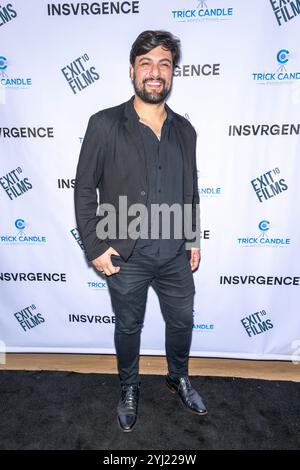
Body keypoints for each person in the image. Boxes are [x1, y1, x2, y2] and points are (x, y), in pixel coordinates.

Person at [74, 30, 207, 432]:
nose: (155, 72)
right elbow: (84, 188)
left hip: (173, 254)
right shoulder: (104, 124)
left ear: (171, 74)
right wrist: (95, 245)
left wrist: (193, 238)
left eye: (164, 64)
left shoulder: (186, 130)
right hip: (125, 254)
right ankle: (129, 387)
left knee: (182, 320)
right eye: (146, 63)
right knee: (129, 325)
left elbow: (191, 188)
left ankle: (176, 376)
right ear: (132, 70)